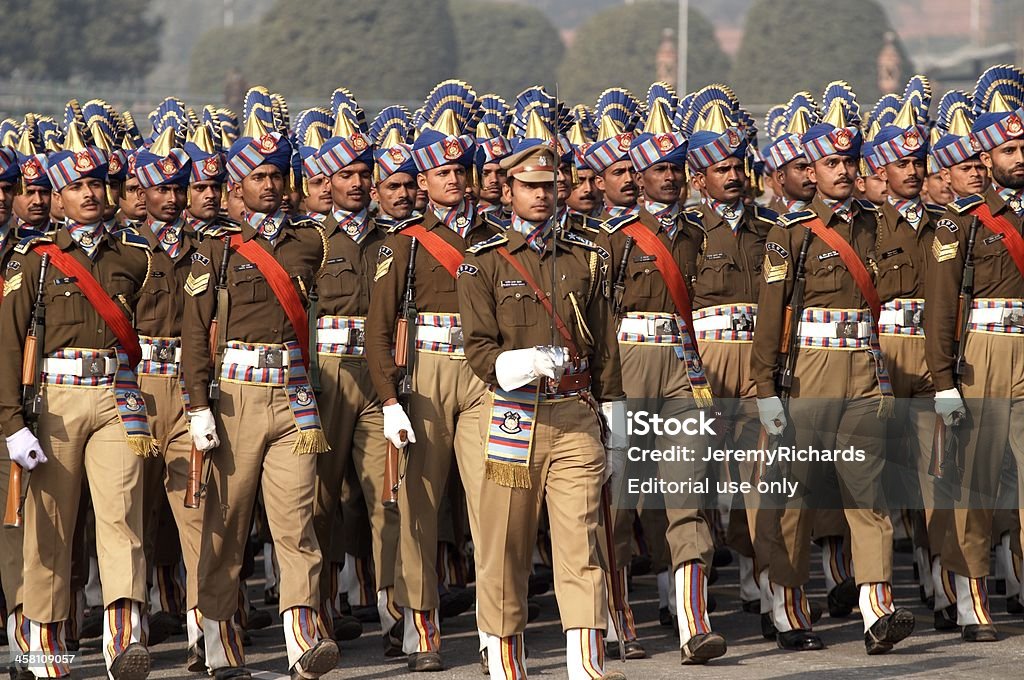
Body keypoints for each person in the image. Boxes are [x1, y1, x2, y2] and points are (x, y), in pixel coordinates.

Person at [458, 117, 625, 680]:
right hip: (512, 415)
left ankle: (587, 667)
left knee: (582, 543)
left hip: (575, 415)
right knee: (504, 549)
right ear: (507, 191)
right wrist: (516, 363)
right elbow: (478, 348)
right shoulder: (482, 261)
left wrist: (615, 411)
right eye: (531, 186)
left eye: (551, 185)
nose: (543, 195)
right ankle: (507, 666)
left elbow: (604, 341)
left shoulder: (586, 254)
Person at [752, 83, 916, 654]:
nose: (843, 171)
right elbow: (770, 319)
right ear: (811, 171)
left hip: (867, 370)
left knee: (868, 498)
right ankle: (790, 610)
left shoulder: (880, 224)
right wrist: (765, 388)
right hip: (809, 373)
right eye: (830, 162)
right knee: (796, 499)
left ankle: (878, 612)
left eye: (849, 161)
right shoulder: (790, 233)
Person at [181, 87, 338, 680]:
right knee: (225, 527)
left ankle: (303, 641)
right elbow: (197, 333)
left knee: (297, 522)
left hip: (295, 395)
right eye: (258, 176)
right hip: (235, 399)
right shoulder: (215, 250)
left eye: (277, 174)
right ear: (236, 187)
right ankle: (221, 647)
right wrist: (198, 405)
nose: (270, 185)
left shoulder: (311, 241)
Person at [1, 121, 156, 679]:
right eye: (76, 187)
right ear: (59, 198)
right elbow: (7, 346)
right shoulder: (34, 260)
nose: (89, 194)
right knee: (49, 530)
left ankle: (123, 641)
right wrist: (12, 423)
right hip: (54, 404)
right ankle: (45, 649)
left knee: (122, 519)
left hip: (117, 396)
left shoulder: (134, 256)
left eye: (96, 183)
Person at [364, 80, 502, 672]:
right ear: (421, 178)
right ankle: (422, 632)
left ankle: (499, 632)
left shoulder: (497, 236)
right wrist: (389, 399)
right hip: (425, 375)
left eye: (459, 167)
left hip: (486, 375)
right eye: (439, 169)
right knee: (417, 507)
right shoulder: (408, 244)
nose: (451, 177)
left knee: (494, 503)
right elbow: (377, 327)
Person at [924, 65, 1024, 642]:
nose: (1019, 157)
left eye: (1023, 146)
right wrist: (942, 380)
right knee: (976, 486)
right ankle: (972, 600)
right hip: (981, 354)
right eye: (1008, 148)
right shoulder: (962, 222)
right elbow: (941, 307)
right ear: (986, 157)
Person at [309, 95, 402, 651]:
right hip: (327, 375)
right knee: (319, 498)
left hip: (381, 376)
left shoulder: (396, 238)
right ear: (327, 179)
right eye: (347, 174)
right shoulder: (309, 240)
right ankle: (318, 612)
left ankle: (398, 617)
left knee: (389, 494)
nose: (359, 184)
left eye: (366, 174)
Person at [868, 88, 954, 630]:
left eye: (919, 160)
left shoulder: (946, 222)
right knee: (878, 481)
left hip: (932, 354)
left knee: (936, 476)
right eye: (902, 162)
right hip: (880, 354)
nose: (915, 171)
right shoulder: (863, 226)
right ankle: (880, 593)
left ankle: (943, 587)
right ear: (880, 167)